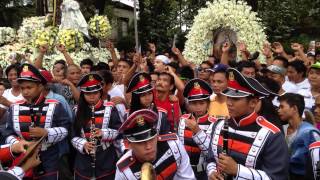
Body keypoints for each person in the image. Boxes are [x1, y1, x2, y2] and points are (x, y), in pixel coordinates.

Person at [193, 68, 288, 180]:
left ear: (253, 102)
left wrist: (237, 170)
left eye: (235, 99)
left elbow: (277, 177)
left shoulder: (272, 135)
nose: (229, 103)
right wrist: (212, 171)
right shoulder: (218, 125)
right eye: (228, 97)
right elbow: (211, 158)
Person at [2, 63, 71, 180]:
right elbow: (8, 133)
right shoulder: (14, 107)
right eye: (22, 88)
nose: (25, 92)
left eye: (29, 87)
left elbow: (66, 128)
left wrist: (47, 133)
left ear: (40, 87)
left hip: (50, 157)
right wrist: (19, 145)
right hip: (23, 157)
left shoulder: (55, 105)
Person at [115, 109, 196, 179]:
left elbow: (187, 177)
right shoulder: (124, 170)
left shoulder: (173, 144)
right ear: (128, 144)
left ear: (156, 135)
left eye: (151, 139)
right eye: (140, 143)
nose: (148, 146)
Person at [71, 73, 122, 179]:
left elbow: (119, 131)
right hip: (83, 161)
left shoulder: (110, 107)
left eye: (95, 92)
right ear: (83, 94)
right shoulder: (77, 110)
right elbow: (72, 135)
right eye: (88, 93)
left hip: (106, 158)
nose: (92, 96)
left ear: (100, 92)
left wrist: (103, 133)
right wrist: (83, 144)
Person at [178, 78, 216, 179]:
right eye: (194, 103)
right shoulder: (183, 120)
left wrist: (197, 131)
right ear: (189, 104)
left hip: (203, 172)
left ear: (208, 103)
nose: (198, 107)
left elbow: (212, 152)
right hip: (183, 170)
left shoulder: (214, 123)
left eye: (202, 103)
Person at [278, 93, 320, 179]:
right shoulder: (280, 130)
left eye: (282, 107)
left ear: (294, 109)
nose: (278, 110)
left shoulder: (310, 133)